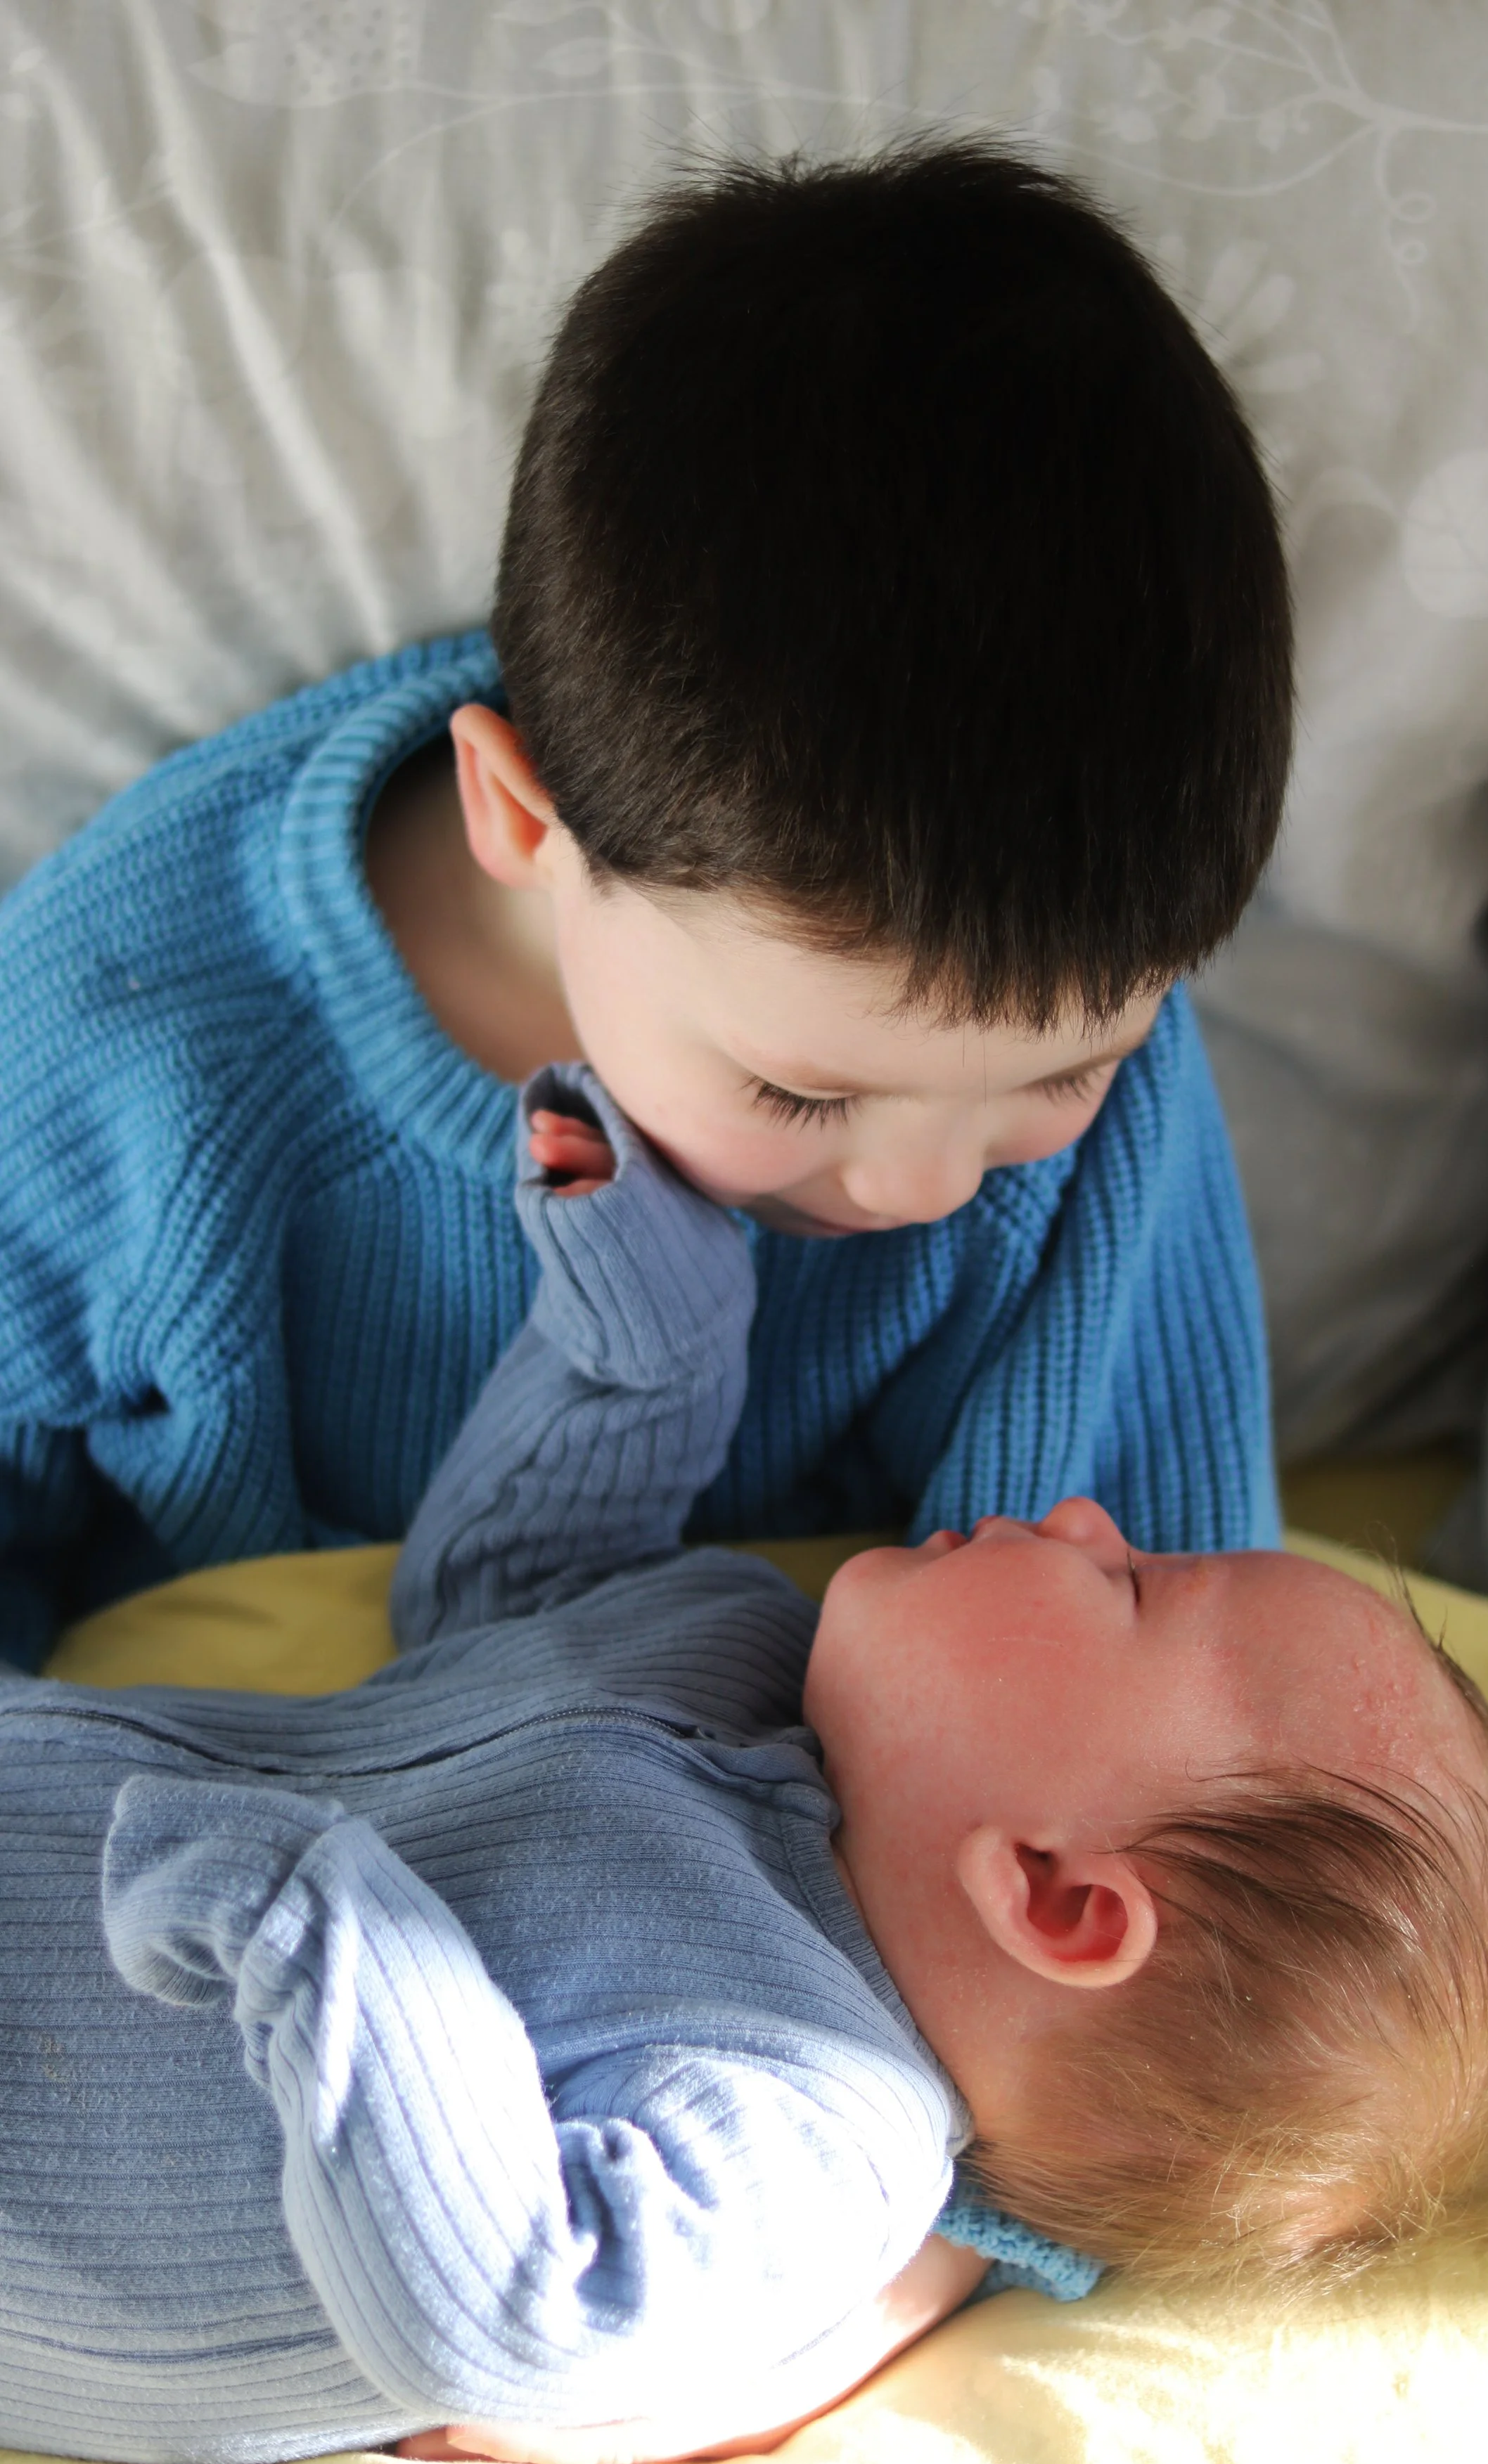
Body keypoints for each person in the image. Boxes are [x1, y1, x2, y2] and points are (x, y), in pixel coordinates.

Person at [0, 1068, 1488, 2464]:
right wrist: (647, 1338)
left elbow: (523, 2311)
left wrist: (322, 1926)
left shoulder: (819, 2132)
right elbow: (495, 1602)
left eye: (1136, 1585)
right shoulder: (755, 1656)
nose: (1088, 1516)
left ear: (1056, 1895)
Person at [0, 140, 1293, 1672]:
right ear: (520, 818)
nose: (931, 1183)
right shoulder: (123, 1034)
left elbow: (1144, 1677)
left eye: (1064, 1076)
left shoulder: (1060, 986)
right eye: (803, 1092)